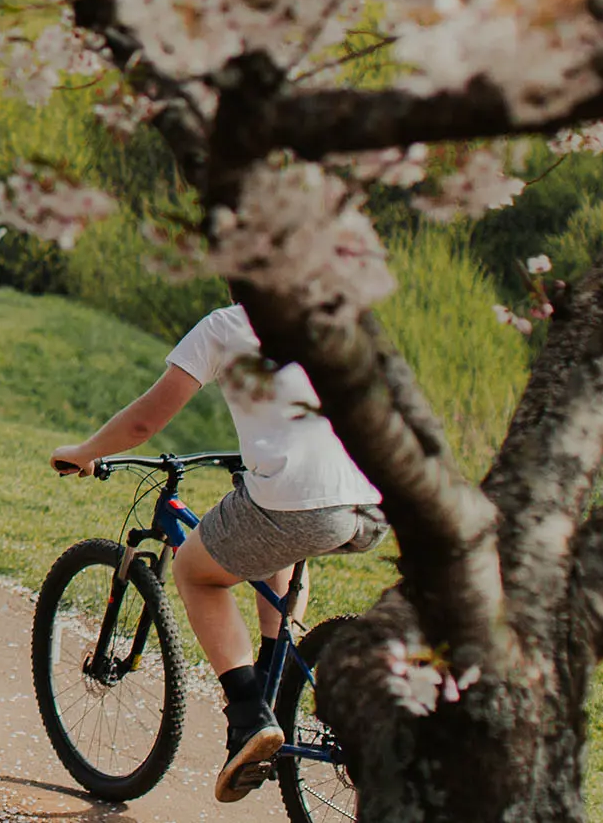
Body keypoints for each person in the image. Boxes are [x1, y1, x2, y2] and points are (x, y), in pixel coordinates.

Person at [50, 301, 385, 804]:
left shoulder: (226, 325)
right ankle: (274, 693)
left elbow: (144, 423)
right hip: (370, 502)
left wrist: (87, 451)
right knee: (275, 549)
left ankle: (249, 715)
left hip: (302, 505)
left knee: (193, 571)